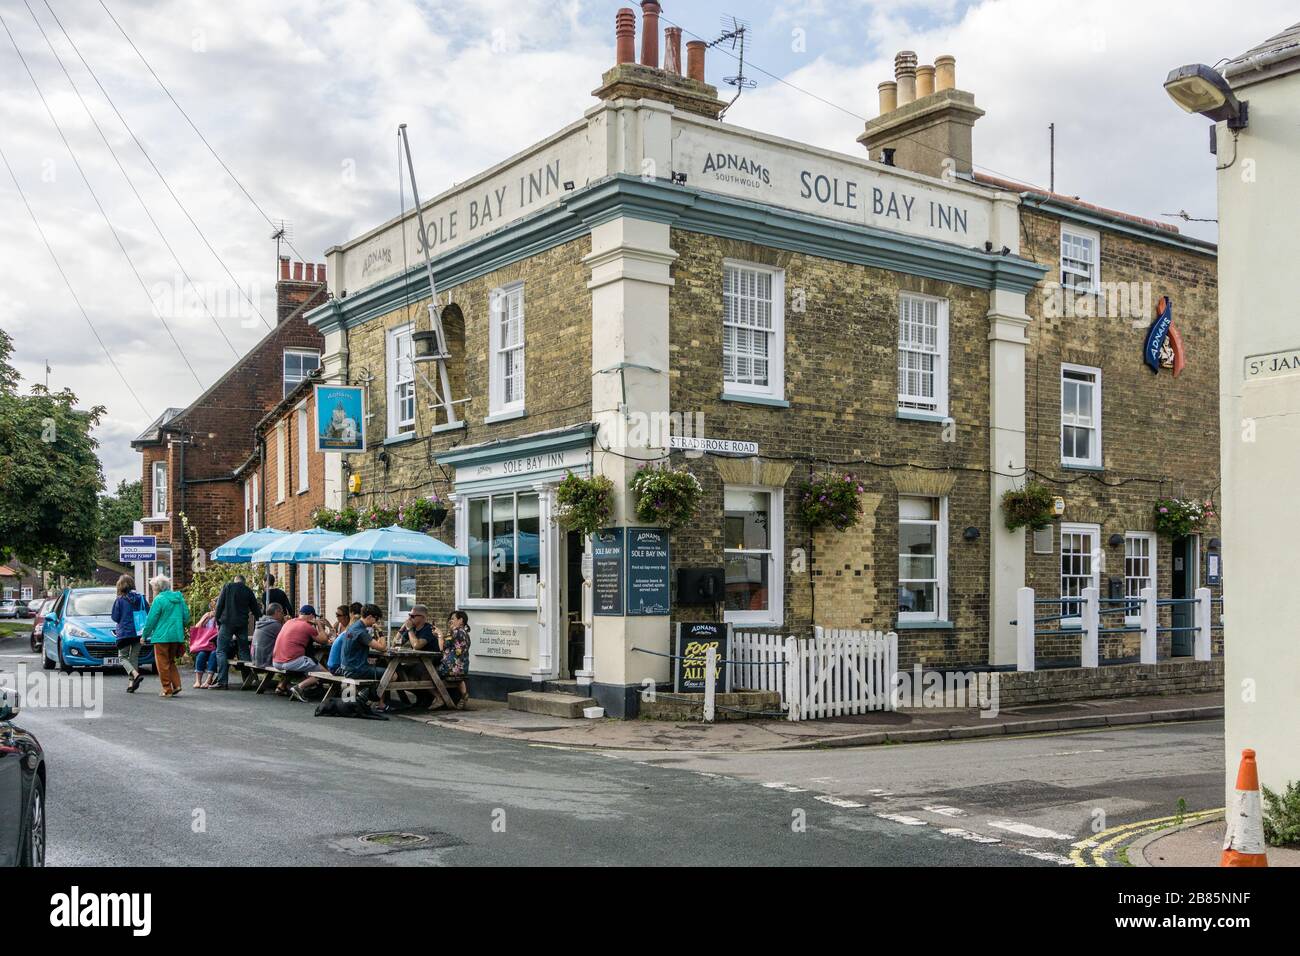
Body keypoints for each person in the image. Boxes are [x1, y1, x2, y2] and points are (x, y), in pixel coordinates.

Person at [139, 575, 189, 698]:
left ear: (158, 588)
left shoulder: (159, 600)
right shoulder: (179, 598)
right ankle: (177, 685)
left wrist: (144, 635)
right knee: (171, 661)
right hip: (176, 636)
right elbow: (186, 617)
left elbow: (151, 620)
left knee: (162, 663)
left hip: (162, 636)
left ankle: (167, 689)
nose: (153, 591)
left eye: (153, 588)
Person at [272, 605, 333, 702]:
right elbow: (324, 640)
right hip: (291, 661)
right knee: (324, 674)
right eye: (314, 617)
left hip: (276, 661)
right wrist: (318, 624)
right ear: (311, 615)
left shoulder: (289, 622)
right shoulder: (307, 626)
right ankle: (299, 687)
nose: (314, 619)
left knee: (301, 665)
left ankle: (282, 686)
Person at [213, 574, 262, 689]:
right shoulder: (248, 591)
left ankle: (222, 682)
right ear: (243, 582)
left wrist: (217, 620)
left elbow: (219, 605)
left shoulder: (228, 587)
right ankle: (247, 680)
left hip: (227, 622)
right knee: (244, 650)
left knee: (221, 651)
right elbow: (256, 609)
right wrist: (260, 623)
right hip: (242, 624)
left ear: (235, 581)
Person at [337, 604, 388, 706]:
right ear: (369, 617)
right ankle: (378, 703)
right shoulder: (361, 632)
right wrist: (380, 631)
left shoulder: (353, 627)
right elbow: (383, 647)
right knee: (392, 675)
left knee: (382, 669)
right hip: (355, 670)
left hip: (345, 668)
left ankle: (376, 701)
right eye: (376, 619)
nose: (376, 622)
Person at [109, 574, 148, 694]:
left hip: (125, 633)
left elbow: (115, 617)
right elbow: (148, 611)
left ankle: (135, 674)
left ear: (120, 586)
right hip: (139, 632)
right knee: (134, 657)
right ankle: (131, 683)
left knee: (122, 657)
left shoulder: (120, 600)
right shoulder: (141, 598)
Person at [434, 610, 471, 709]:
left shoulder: (455, 631)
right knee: (459, 678)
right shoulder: (465, 633)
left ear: (461, 620)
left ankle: (440, 698)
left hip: (450, 668)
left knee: (430, 673)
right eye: (450, 619)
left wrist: (439, 634)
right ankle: (464, 695)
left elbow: (442, 647)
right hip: (463, 668)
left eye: (453, 619)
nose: (451, 621)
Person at [190, 598, 221, 689]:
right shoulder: (208, 615)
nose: (214, 609)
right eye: (213, 607)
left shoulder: (223, 616)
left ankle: (208, 679)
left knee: (213, 654)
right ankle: (198, 680)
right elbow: (197, 628)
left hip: (215, 644)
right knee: (201, 654)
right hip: (205, 644)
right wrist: (206, 618)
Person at [327, 602, 363, 673]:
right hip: (338, 667)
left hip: (336, 665)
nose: (337, 617)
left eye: (338, 615)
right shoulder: (348, 631)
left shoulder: (349, 630)